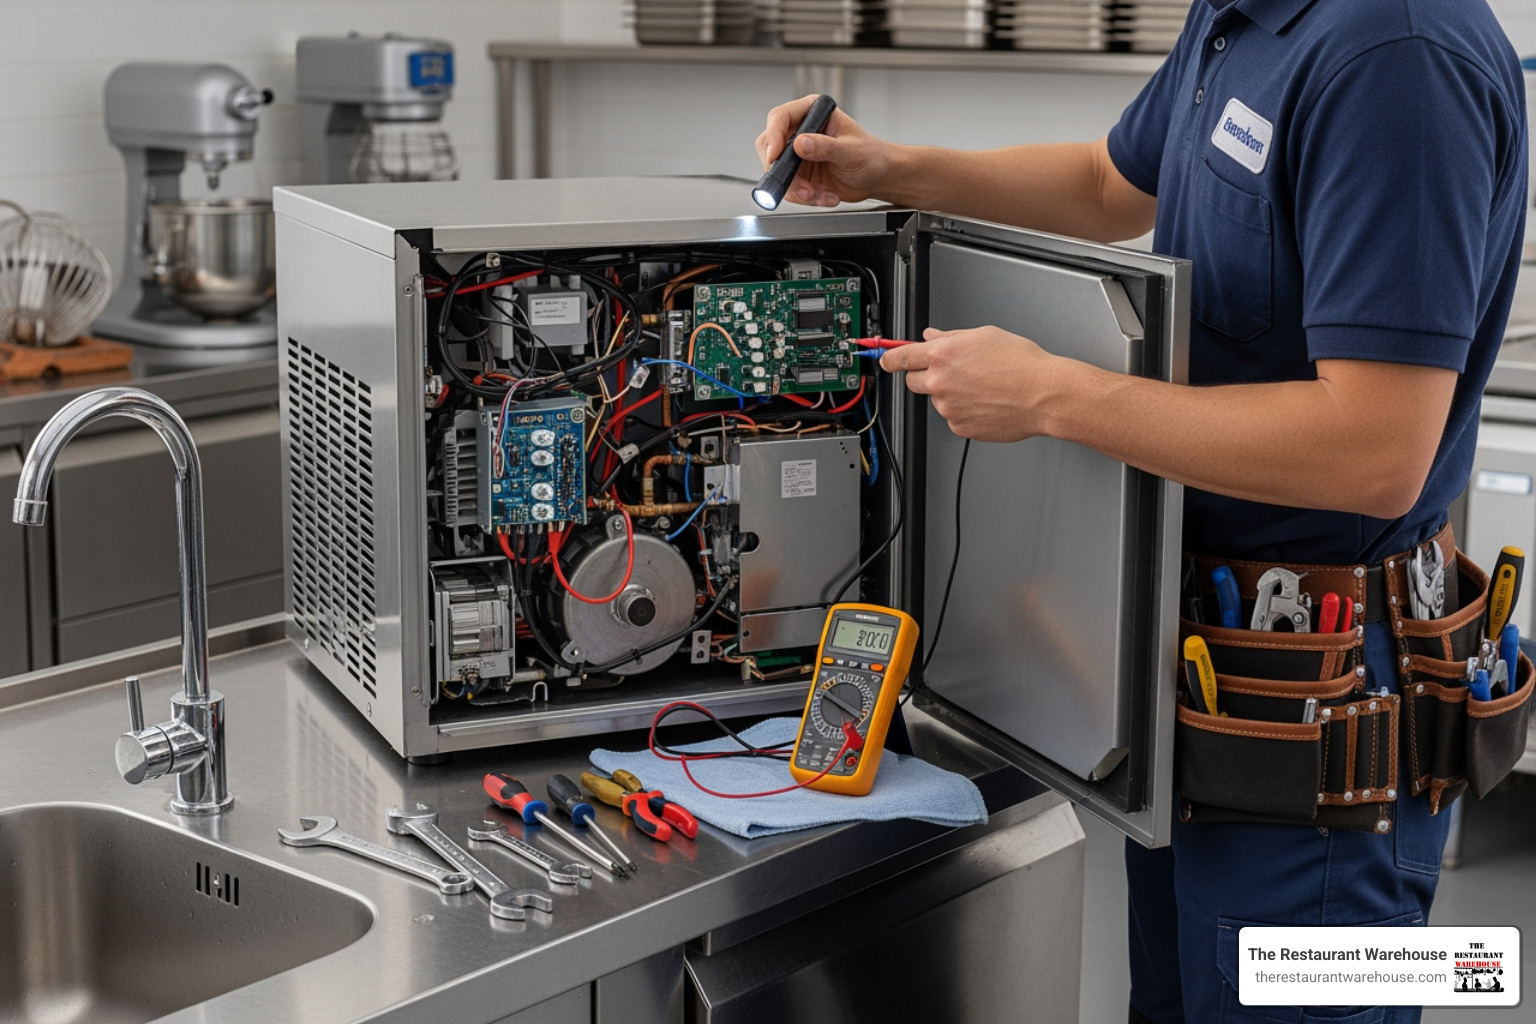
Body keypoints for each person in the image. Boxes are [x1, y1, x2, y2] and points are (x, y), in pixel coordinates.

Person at [755, 1, 1527, 1022]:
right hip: (1205, 692)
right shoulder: (1240, 15)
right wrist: (890, 167)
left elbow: (1377, 450)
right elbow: (1107, 183)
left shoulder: (1396, 57)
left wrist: (1051, 396)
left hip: (1326, 729)